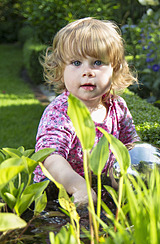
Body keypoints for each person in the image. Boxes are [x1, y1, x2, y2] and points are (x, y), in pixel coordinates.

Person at [33, 17, 141, 206]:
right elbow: (50, 157)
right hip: (58, 194)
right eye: (76, 63)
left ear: (114, 69)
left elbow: (132, 147)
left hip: (102, 190)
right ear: (61, 69)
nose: (88, 72)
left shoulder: (117, 107)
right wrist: (78, 186)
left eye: (98, 62)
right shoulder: (60, 112)